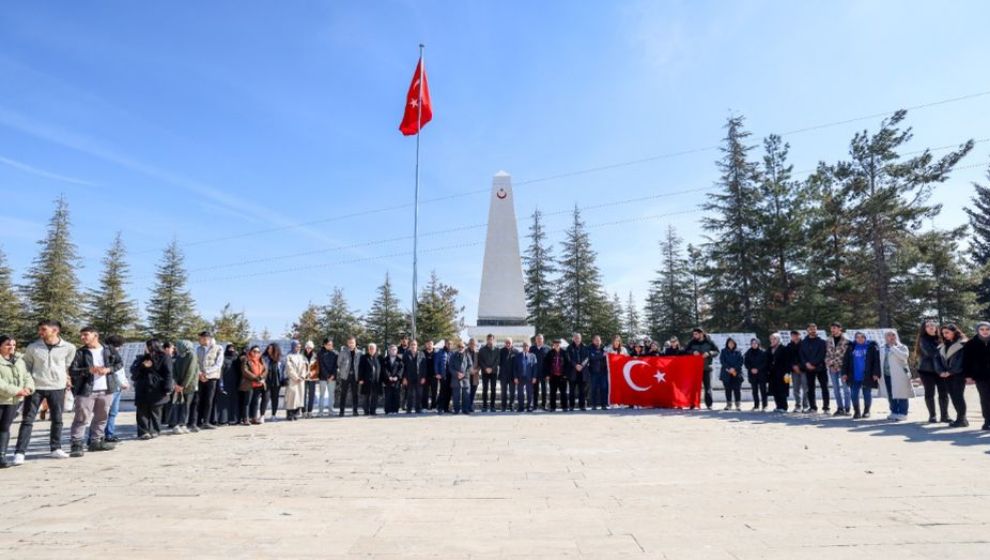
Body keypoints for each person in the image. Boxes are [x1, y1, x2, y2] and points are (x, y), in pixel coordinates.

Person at [14, 319, 76, 463]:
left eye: (43, 329)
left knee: (57, 420)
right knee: (27, 420)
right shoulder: (33, 347)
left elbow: (66, 365)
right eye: (40, 329)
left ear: (55, 330)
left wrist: (64, 378)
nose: (40, 332)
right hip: (35, 388)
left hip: (57, 387)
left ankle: (55, 448)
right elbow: (26, 367)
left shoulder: (69, 347)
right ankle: (20, 452)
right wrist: (27, 384)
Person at [68, 326, 123, 457]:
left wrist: (108, 370)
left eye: (85, 334)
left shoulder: (109, 349)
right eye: (81, 335)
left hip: (107, 389)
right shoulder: (80, 352)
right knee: (81, 418)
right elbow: (73, 371)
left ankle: (96, 442)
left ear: (95, 335)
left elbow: (119, 364)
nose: (82, 337)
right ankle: (76, 445)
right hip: (86, 390)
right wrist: (88, 370)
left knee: (102, 417)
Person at [0, 335, 34, 468]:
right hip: (4, 397)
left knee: (4, 428)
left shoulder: (19, 360)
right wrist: (16, 390)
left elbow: (27, 375)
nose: (11, 347)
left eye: (13, 345)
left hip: (13, 400)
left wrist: (28, 388)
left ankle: (2, 455)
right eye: (8, 344)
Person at [130, 339, 174, 440]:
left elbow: (168, 373)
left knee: (155, 411)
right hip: (142, 387)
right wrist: (143, 366)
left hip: (157, 388)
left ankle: (155, 430)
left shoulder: (165, 357)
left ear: (152, 346)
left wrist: (167, 388)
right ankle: (143, 432)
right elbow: (134, 372)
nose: (145, 348)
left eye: (147, 346)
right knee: (142, 411)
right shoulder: (142, 358)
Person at [915, 320, 949, 423]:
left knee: (943, 393)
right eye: (928, 326)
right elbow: (931, 353)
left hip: (941, 370)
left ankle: (944, 416)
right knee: (930, 393)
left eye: (932, 325)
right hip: (927, 370)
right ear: (924, 329)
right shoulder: (923, 340)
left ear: (936, 327)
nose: (930, 327)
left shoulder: (942, 338)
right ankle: (932, 416)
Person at [841, 332, 880, 419]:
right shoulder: (851, 347)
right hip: (854, 376)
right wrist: (844, 373)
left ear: (865, 338)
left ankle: (866, 411)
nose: (860, 339)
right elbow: (845, 361)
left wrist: (876, 373)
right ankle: (857, 411)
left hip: (867, 375)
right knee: (854, 394)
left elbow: (876, 361)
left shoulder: (871, 347)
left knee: (867, 393)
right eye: (857, 337)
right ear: (855, 338)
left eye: (862, 337)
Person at [936, 324, 968, 428]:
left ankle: (961, 419)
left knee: (958, 396)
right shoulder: (942, 345)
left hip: (958, 374)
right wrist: (941, 371)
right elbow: (937, 360)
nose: (945, 335)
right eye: (943, 333)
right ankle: (962, 419)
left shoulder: (962, 344)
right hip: (946, 375)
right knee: (953, 397)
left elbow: (961, 361)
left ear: (954, 332)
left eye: (947, 332)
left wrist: (951, 371)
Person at [193, 331, 223, 430]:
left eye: (201, 338)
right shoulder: (198, 349)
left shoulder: (218, 348)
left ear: (207, 338)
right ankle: (196, 421)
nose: (199, 340)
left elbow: (218, 364)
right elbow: (195, 363)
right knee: (198, 399)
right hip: (200, 377)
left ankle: (206, 421)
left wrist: (206, 372)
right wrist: (200, 374)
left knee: (209, 400)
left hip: (212, 377)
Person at [879, 331, 912, 421]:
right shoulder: (881, 348)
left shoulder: (902, 347)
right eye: (888, 335)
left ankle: (903, 413)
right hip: (886, 375)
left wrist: (893, 347)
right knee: (890, 394)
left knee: (901, 394)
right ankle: (894, 412)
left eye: (893, 335)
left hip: (900, 375)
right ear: (885, 337)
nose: (891, 337)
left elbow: (904, 357)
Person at [101, 334, 129, 443]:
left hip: (114, 386)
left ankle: (108, 434)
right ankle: (106, 434)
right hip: (112, 386)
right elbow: (117, 371)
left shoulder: (108, 352)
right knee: (108, 413)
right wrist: (123, 383)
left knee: (109, 412)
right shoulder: (110, 353)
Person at [963, 321, 990, 430]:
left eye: (987, 329)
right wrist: (968, 376)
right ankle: (987, 420)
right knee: (985, 398)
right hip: (980, 376)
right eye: (982, 329)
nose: (985, 331)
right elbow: (966, 361)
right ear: (977, 330)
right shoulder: (970, 344)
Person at [683, 328, 719, 410]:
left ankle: (709, 404)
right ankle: (692, 404)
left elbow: (717, 351)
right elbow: (685, 351)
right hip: (695, 369)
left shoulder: (709, 342)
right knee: (693, 387)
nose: (694, 335)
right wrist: (692, 352)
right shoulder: (692, 342)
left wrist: (709, 353)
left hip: (706, 368)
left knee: (707, 387)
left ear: (701, 334)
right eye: (693, 334)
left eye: (696, 334)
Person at [169, 340, 199, 434]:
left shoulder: (191, 355)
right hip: (180, 385)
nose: (176, 348)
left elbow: (190, 371)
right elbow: (174, 370)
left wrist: (182, 385)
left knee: (185, 405)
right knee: (178, 405)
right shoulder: (179, 355)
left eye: (177, 346)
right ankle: (177, 425)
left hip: (188, 385)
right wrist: (177, 383)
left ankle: (183, 424)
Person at [799, 323, 829, 414]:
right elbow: (801, 355)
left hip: (820, 368)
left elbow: (822, 354)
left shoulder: (822, 342)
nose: (813, 330)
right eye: (810, 328)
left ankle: (826, 407)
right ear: (807, 330)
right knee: (810, 388)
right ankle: (813, 407)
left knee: (824, 387)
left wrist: (814, 364)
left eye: (814, 328)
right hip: (808, 369)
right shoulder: (803, 342)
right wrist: (806, 364)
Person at [825, 323, 852, 417]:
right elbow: (827, 354)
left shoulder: (846, 340)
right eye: (831, 328)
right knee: (836, 389)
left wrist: (837, 365)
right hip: (832, 368)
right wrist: (830, 364)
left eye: (834, 328)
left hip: (843, 368)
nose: (832, 330)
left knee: (846, 389)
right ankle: (840, 408)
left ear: (840, 329)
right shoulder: (828, 340)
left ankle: (847, 409)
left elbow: (846, 356)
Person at [240, 345, 268, 424]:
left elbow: (265, 369)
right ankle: (245, 418)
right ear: (250, 351)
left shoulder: (261, 359)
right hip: (249, 383)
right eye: (254, 351)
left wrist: (261, 377)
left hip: (259, 384)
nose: (256, 353)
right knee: (247, 402)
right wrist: (256, 378)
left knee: (255, 402)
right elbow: (245, 371)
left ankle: (254, 418)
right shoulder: (246, 359)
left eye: (258, 352)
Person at [215, 345, 241, 426]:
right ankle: (223, 420)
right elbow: (220, 371)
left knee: (234, 401)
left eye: (233, 348)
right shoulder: (223, 359)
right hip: (225, 383)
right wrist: (221, 383)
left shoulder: (237, 359)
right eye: (230, 348)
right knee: (223, 402)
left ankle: (234, 419)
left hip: (235, 384)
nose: (231, 350)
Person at [337, 336, 362, 417]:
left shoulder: (359, 353)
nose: (351, 344)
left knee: (355, 394)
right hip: (345, 376)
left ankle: (355, 411)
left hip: (355, 376)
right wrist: (342, 372)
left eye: (353, 343)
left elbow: (361, 365)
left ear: (355, 343)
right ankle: (341, 411)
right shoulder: (343, 352)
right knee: (343, 394)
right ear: (347, 343)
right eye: (350, 343)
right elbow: (339, 363)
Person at [744, 338, 769, 411]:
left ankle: (765, 405)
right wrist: (751, 369)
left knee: (763, 390)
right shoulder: (748, 352)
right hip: (752, 374)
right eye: (752, 343)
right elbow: (746, 362)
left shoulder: (763, 352)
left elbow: (765, 362)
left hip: (761, 373)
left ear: (758, 344)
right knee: (754, 391)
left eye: (755, 343)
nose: (754, 345)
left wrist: (757, 369)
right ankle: (756, 405)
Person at [284, 341, 308, 421]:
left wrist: (302, 376)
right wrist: (296, 377)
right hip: (292, 380)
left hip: (300, 380)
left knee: (299, 397)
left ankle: (296, 413)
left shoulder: (301, 356)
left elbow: (304, 367)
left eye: (299, 347)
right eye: (297, 346)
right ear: (293, 346)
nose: (298, 348)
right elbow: (289, 368)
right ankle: (289, 414)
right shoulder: (289, 356)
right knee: (292, 396)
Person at [566, 333, 589, 411]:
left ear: (581, 338)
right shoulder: (569, 347)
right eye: (575, 338)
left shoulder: (585, 347)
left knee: (582, 391)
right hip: (573, 372)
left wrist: (582, 365)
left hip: (582, 372)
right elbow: (568, 358)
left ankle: (582, 406)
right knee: (572, 390)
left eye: (578, 338)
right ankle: (571, 406)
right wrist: (576, 365)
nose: (577, 339)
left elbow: (587, 357)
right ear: (573, 338)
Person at [766, 334, 790, 412]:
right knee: (775, 390)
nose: (772, 340)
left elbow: (787, 361)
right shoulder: (769, 349)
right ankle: (778, 406)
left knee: (782, 390)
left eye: (774, 339)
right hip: (773, 373)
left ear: (779, 339)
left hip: (783, 373)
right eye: (771, 339)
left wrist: (787, 372)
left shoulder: (784, 348)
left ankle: (784, 407)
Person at [447, 340, 472, 414]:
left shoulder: (467, 355)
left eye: (462, 347)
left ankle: (465, 410)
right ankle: (456, 410)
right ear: (457, 347)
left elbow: (470, 366)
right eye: (459, 347)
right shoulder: (453, 356)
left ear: (464, 348)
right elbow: (450, 367)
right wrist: (456, 373)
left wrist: (464, 374)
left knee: (466, 395)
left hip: (465, 378)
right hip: (455, 378)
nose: (461, 348)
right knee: (456, 396)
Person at [787, 331, 809, 413]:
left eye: (796, 335)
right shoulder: (789, 346)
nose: (794, 337)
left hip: (804, 370)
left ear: (799, 336)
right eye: (792, 335)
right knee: (796, 389)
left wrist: (799, 366)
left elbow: (806, 357)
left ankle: (806, 405)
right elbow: (788, 358)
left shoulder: (804, 344)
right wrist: (793, 366)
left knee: (805, 388)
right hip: (794, 370)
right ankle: (798, 405)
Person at [719, 338, 743, 411]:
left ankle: (738, 405)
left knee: (737, 389)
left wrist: (734, 368)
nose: (731, 344)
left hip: (736, 373)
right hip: (726, 373)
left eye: (732, 343)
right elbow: (722, 361)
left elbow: (740, 361)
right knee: (727, 389)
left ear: (735, 344)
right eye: (729, 343)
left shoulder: (738, 351)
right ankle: (729, 405)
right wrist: (729, 368)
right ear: (727, 344)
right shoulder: (723, 351)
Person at [262, 343, 284, 421]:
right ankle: (262, 416)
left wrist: (283, 379)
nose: (269, 350)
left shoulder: (279, 359)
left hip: (277, 381)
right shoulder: (264, 358)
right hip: (267, 381)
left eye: (270, 349)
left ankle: (273, 415)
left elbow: (282, 370)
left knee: (275, 399)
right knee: (265, 398)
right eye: (268, 348)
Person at [545, 339, 569, 412]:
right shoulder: (550, 353)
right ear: (553, 344)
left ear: (560, 344)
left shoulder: (564, 353)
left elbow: (568, 364)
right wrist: (548, 374)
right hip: (553, 376)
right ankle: (553, 407)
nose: (557, 345)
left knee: (563, 392)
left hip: (562, 376)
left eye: (558, 343)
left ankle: (564, 407)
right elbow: (546, 365)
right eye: (555, 344)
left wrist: (565, 374)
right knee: (552, 392)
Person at [317, 338, 338, 417]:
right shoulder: (320, 353)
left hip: (332, 377)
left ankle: (331, 411)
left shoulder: (335, 353)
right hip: (323, 377)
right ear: (324, 345)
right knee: (322, 395)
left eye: (331, 344)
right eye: (329, 344)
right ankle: (320, 412)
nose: (330, 346)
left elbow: (336, 366)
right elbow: (321, 366)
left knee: (331, 394)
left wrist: (332, 375)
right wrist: (327, 376)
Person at [478, 334, 499, 412]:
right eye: (488, 339)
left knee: (493, 389)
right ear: (487, 340)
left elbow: (497, 360)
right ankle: (484, 406)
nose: (490, 340)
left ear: (493, 340)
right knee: (485, 389)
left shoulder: (497, 349)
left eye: (491, 339)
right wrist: (486, 368)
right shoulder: (482, 349)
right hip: (485, 372)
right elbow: (480, 360)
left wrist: (492, 368)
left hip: (493, 372)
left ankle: (492, 406)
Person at [359, 343, 382, 415]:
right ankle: (366, 411)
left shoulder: (379, 358)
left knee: (375, 396)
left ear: (375, 349)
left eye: (373, 348)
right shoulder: (364, 357)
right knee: (366, 396)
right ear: (368, 349)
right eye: (370, 348)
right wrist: (360, 378)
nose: (372, 350)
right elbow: (360, 369)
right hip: (366, 380)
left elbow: (382, 369)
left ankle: (373, 410)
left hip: (376, 381)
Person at [402, 340, 424, 413]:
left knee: (419, 394)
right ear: (410, 346)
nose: (413, 346)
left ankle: (418, 409)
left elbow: (425, 367)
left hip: (419, 377)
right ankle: (409, 409)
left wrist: (423, 377)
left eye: (415, 344)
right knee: (409, 394)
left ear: (417, 346)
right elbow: (403, 367)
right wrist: (404, 378)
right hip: (409, 377)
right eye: (412, 344)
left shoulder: (421, 354)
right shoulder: (406, 354)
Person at [514, 340, 537, 412]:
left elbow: (535, 368)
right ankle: (521, 407)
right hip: (520, 377)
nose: (525, 347)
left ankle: (529, 407)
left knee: (529, 393)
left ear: (529, 347)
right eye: (524, 346)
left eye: (527, 346)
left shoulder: (533, 356)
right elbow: (514, 368)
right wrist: (515, 377)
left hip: (529, 378)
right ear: (522, 347)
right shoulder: (517, 356)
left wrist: (534, 377)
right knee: (520, 393)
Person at [587, 335, 608, 411]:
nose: (598, 341)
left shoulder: (604, 349)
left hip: (603, 372)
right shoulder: (589, 348)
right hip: (593, 372)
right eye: (596, 340)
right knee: (593, 389)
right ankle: (593, 405)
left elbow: (608, 358)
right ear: (593, 341)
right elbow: (592, 357)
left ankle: (604, 405)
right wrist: (602, 355)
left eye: (599, 340)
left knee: (604, 388)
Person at [382, 345, 404, 414]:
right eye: (391, 349)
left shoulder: (399, 359)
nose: (393, 351)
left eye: (394, 350)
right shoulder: (385, 359)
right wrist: (389, 377)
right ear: (389, 351)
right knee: (388, 396)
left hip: (396, 381)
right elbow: (384, 369)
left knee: (396, 396)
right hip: (387, 381)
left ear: (397, 351)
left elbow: (401, 369)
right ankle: (388, 410)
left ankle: (395, 410)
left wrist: (397, 377)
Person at [531, 334, 551, 411]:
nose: (539, 340)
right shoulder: (532, 349)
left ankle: (544, 405)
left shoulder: (548, 349)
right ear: (535, 340)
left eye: (540, 339)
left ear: (543, 340)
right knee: (535, 390)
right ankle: (535, 405)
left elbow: (550, 363)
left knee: (544, 390)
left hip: (544, 373)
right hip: (535, 373)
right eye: (537, 339)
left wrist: (548, 374)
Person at [498, 338, 517, 412]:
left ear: (512, 343)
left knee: (512, 392)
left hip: (512, 376)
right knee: (503, 392)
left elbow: (517, 365)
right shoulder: (501, 351)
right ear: (504, 343)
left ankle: (511, 406)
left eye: (509, 343)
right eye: (506, 343)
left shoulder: (516, 351)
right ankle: (503, 406)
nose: (508, 344)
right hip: (503, 376)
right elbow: (499, 362)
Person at [302, 341, 319, 418]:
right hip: (304, 378)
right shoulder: (301, 356)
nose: (308, 349)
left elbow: (317, 367)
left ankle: (310, 411)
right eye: (307, 347)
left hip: (312, 378)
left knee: (311, 395)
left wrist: (312, 373)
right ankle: (303, 412)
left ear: (312, 348)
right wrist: (305, 373)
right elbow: (300, 367)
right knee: (303, 395)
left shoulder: (315, 356)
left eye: (310, 348)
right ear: (305, 347)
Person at [434, 339, 451, 413]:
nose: (449, 345)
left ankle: (446, 408)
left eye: (450, 344)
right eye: (448, 344)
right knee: (442, 391)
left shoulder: (452, 353)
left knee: (449, 392)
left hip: (450, 376)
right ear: (445, 344)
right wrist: (437, 373)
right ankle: (440, 407)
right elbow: (436, 364)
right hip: (442, 375)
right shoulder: (440, 352)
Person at [419, 340, 435, 412]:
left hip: (434, 375)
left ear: (433, 345)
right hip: (425, 376)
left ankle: (433, 407)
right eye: (428, 344)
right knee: (425, 392)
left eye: (431, 344)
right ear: (426, 345)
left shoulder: (436, 353)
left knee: (434, 392)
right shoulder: (422, 353)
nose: (429, 345)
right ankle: (424, 407)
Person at [465, 338, 480, 413]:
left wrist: (476, 370)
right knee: (467, 392)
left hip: (475, 375)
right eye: (471, 343)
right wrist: (469, 370)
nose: (472, 345)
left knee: (473, 392)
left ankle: (470, 406)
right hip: (467, 375)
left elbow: (480, 364)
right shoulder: (465, 352)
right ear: (468, 344)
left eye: (473, 344)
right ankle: (466, 407)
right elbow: (462, 363)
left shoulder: (477, 353)